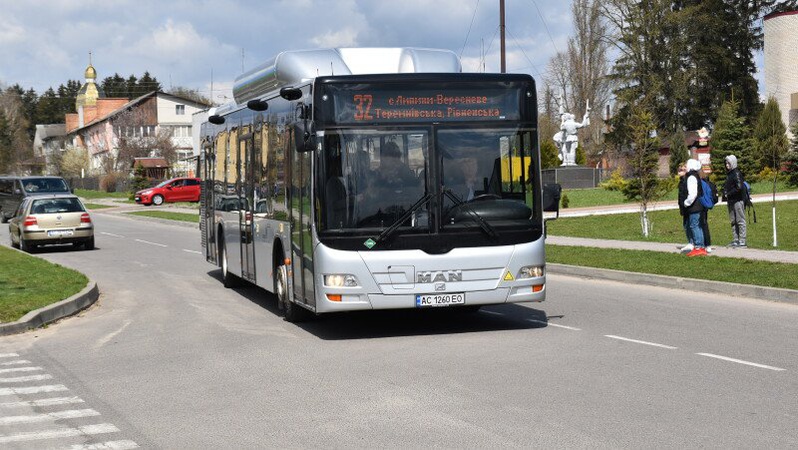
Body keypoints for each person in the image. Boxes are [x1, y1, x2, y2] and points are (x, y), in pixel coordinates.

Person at [682, 159, 707, 256]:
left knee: (694, 226)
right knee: (698, 226)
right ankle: (701, 247)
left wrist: (686, 203)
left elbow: (693, 194)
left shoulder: (691, 177)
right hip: (699, 205)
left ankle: (698, 246)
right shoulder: (696, 175)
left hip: (694, 206)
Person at [722, 154, 747, 248]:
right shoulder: (729, 174)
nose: (727, 164)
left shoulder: (736, 173)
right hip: (731, 201)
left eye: (728, 163)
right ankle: (736, 239)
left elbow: (739, 187)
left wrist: (728, 193)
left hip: (738, 200)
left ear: (733, 163)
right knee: (733, 221)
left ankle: (742, 241)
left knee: (740, 220)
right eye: (726, 163)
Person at [676, 163, 693, 253]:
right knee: (686, 225)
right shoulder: (681, 181)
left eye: (682, 170)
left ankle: (693, 242)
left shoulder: (687, 180)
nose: (679, 171)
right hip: (683, 207)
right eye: (679, 170)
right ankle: (690, 242)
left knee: (690, 225)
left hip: (688, 206)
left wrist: (686, 203)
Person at [699, 170, 713, 253]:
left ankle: (705, 244)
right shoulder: (706, 183)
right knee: (705, 224)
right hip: (706, 206)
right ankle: (707, 244)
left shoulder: (700, 183)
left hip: (701, 205)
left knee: (702, 225)